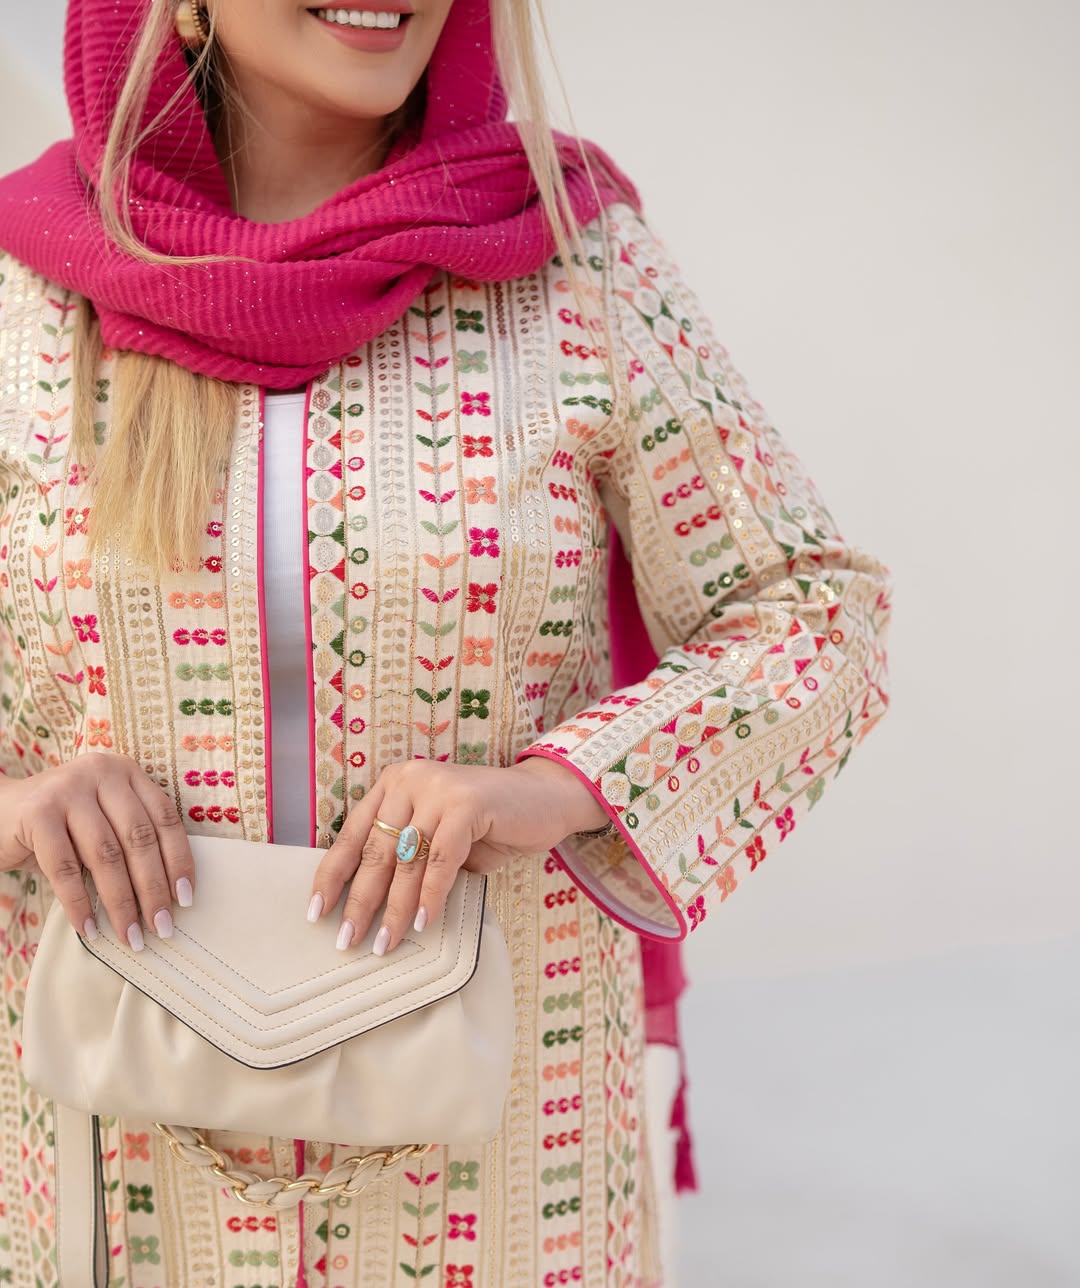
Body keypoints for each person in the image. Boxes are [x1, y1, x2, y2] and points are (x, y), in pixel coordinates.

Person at [0, 0, 893, 1283]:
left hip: (504, 1168)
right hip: (113, 1172)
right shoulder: (27, 289)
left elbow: (815, 612)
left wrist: (555, 785)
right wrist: (20, 806)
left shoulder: (571, 263)